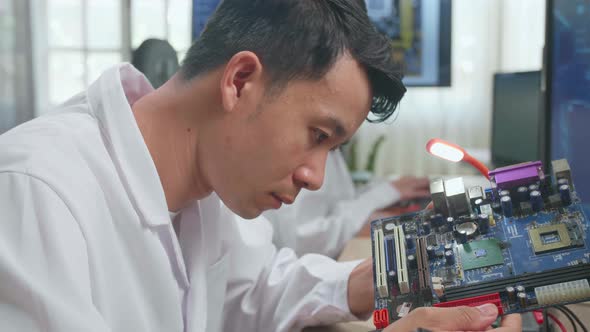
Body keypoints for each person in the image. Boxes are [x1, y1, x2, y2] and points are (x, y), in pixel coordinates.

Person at [0, 0, 520, 331]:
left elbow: (255, 290)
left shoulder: (210, 182)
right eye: (318, 136)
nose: (315, 175)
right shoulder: (35, 191)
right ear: (240, 80)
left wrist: (373, 281)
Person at [264, 149, 431, 258]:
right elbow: (302, 239)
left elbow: (341, 200)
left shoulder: (332, 151)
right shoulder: (306, 155)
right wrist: (381, 196)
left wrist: (388, 192)